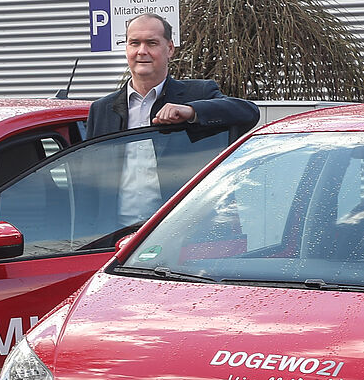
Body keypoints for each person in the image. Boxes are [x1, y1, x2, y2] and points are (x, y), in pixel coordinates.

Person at [88, 13, 260, 224]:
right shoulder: (101, 109)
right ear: (126, 49)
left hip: (181, 230)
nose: (142, 51)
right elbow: (91, 183)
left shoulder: (198, 93)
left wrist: (191, 111)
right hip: (115, 235)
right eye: (135, 43)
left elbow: (248, 112)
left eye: (151, 43)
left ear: (169, 49)